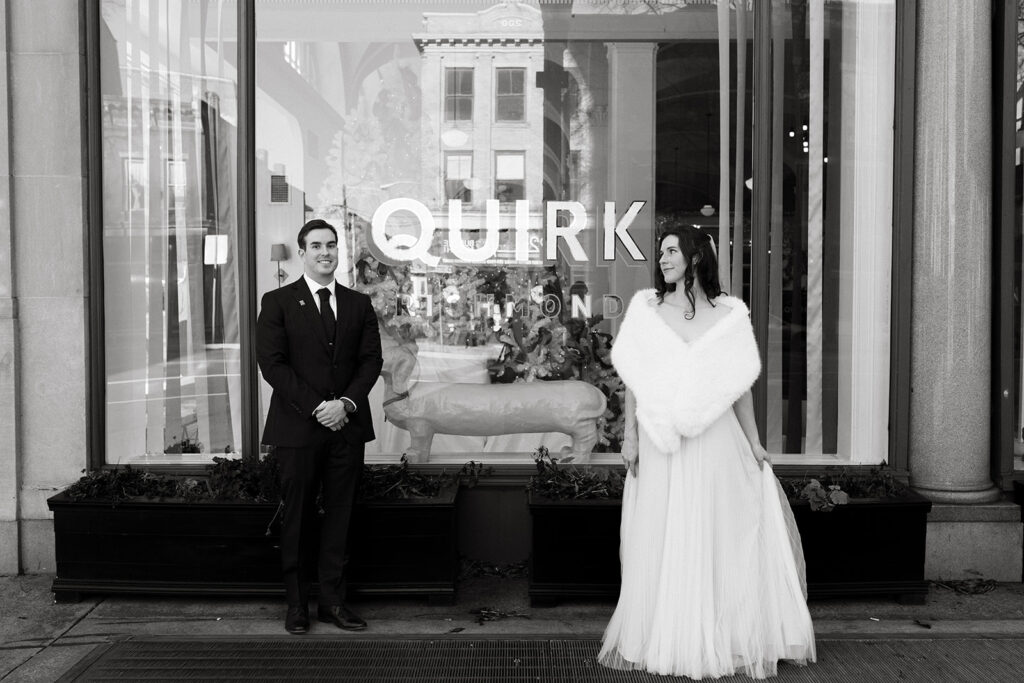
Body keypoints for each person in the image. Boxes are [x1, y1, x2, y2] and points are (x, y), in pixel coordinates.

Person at [599, 224, 816, 679]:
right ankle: (670, 635)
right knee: (665, 533)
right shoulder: (646, 309)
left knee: (718, 532)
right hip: (662, 443)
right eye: (661, 252)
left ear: (696, 257)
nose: (663, 259)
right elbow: (634, 379)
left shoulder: (730, 315)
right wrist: (630, 436)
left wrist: (755, 441)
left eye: (672, 250)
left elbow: (740, 388)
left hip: (716, 441)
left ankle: (722, 635)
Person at [256, 218, 383, 635]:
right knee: (297, 518)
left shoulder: (358, 305)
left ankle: (333, 603)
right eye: (316, 246)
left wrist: (344, 403)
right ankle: (297, 607)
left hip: (346, 427)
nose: (325, 252)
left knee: (340, 519)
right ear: (303, 252)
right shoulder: (276, 302)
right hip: (298, 429)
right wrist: (317, 407)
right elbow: (273, 365)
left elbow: (370, 362)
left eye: (331, 245)